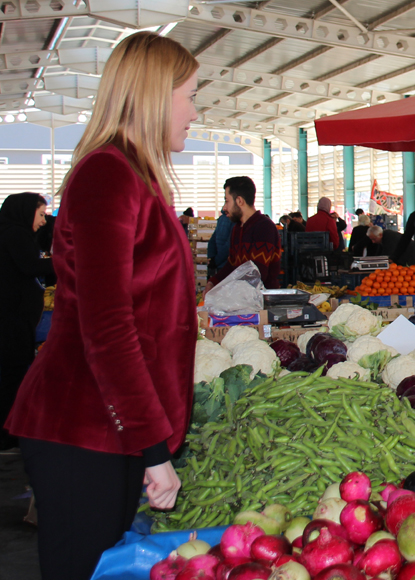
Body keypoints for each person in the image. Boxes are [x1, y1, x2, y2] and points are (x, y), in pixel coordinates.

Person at [4, 31, 198, 580]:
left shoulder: (134, 176)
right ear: (155, 97)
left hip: (108, 427)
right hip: (81, 426)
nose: (193, 111)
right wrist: (153, 447)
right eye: (188, 94)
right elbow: (108, 326)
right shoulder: (107, 175)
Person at [0, 193, 53, 451]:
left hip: (13, 318)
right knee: (14, 373)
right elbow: (31, 266)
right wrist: (68, 262)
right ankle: (10, 432)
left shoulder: (10, 232)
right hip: (11, 321)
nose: (44, 221)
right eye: (41, 214)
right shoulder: (14, 234)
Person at [206, 176, 281, 290]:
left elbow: (257, 274)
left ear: (239, 201)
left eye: (227, 201)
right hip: (241, 299)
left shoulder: (264, 227)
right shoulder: (237, 228)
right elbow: (231, 265)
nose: (225, 207)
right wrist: (213, 282)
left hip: (262, 302)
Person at [206, 206, 232, 278]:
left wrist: (212, 258)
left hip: (219, 264)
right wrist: (216, 260)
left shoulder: (221, 219)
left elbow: (212, 241)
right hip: (225, 264)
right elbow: (229, 245)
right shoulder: (233, 220)